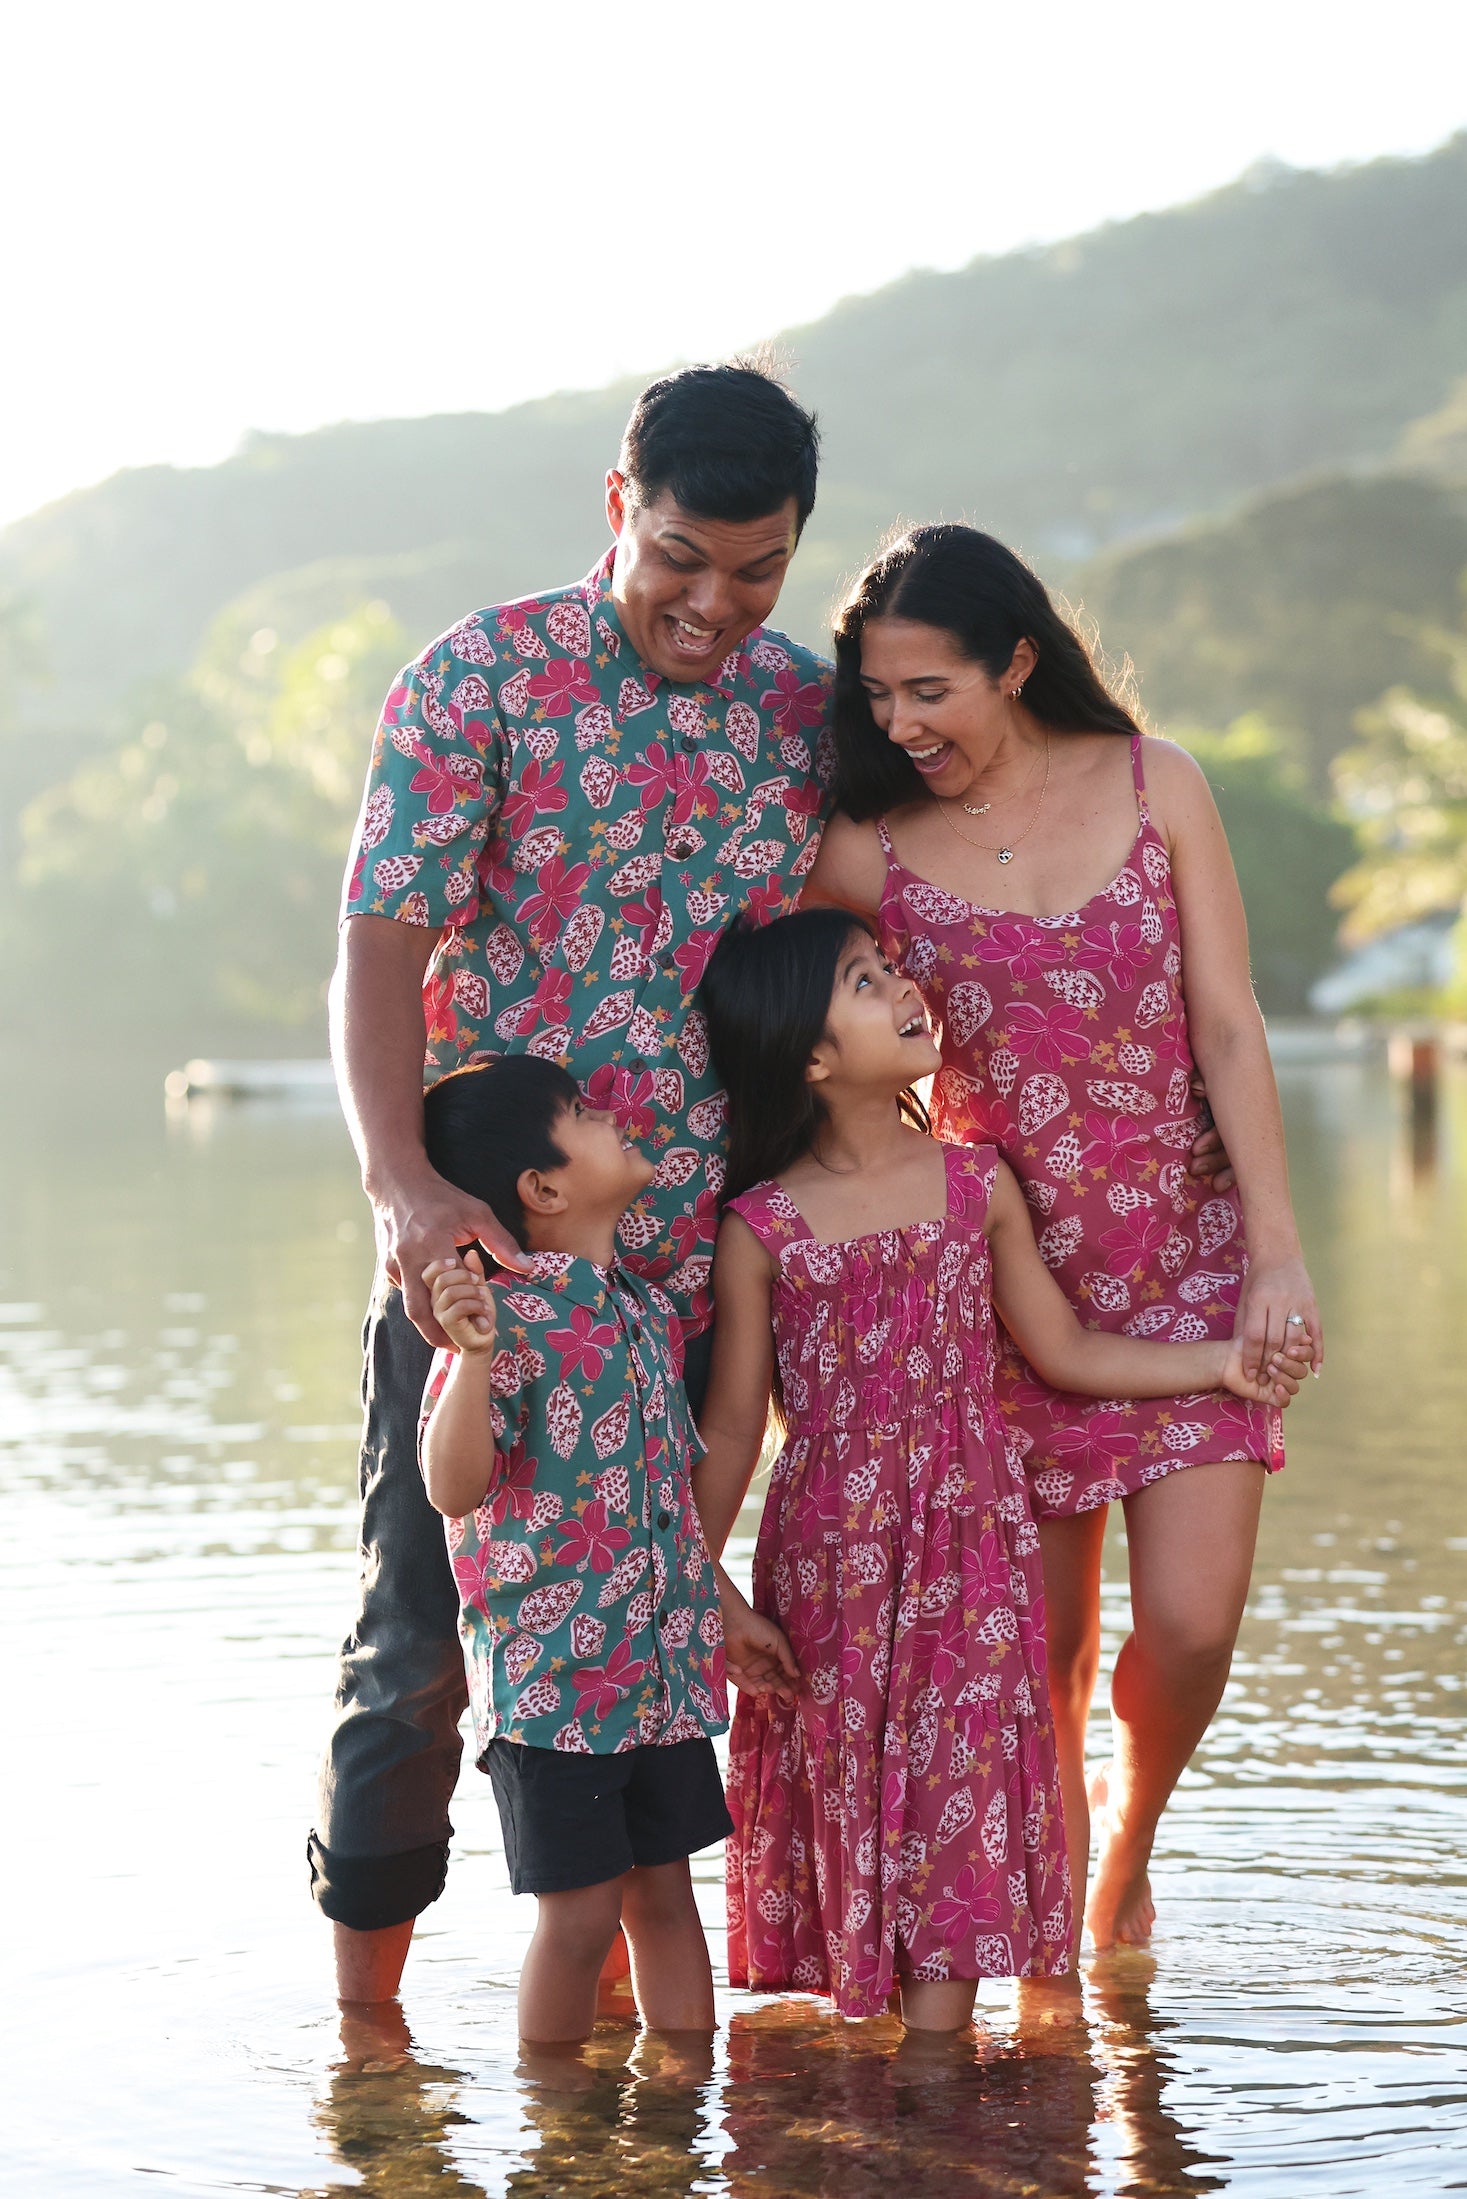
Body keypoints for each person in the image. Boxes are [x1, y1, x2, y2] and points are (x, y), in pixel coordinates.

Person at [311, 360, 831, 2003]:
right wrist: (403, 1189)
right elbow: (377, 951)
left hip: (686, 1272)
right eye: (683, 554)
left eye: (759, 568)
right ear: (619, 509)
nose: (715, 601)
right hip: (485, 1268)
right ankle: (367, 2044)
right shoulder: (482, 677)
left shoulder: (798, 710)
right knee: (418, 1654)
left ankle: (607, 2047)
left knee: (655, 1653)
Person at [803, 524, 1323, 1953]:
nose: (899, 723)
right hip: (1002, 1297)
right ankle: (1058, 1870)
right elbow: (774, 1000)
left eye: (928, 689)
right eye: (877, 698)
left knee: (1191, 1625)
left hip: (1189, 1265)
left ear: (1015, 660)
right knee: (1035, 1652)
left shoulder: (1160, 784)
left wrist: (1275, 1250)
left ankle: (1130, 1833)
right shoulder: (866, 848)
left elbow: (1225, 1021)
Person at [690, 910, 1308, 2030]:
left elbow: (1064, 1352)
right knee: (855, 1794)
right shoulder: (761, 1227)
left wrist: (1223, 1362)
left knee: (964, 1791)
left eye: (888, 966)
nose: (903, 986)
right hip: (833, 1569)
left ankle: (950, 2078)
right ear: (814, 1057)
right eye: (864, 982)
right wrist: (714, 1587)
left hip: (972, 1554)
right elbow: (733, 1426)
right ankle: (877, 2068)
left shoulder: (979, 1186)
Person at [415, 1055, 753, 2048]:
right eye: (587, 1113)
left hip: (661, 1676)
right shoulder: (498, 1320)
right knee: (577, 1919)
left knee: (668, 1898)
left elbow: (670, 1511)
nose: (618, 1117)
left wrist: (726, 1613)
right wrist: (470, 1364)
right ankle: (561, 2136)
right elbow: (451, 1485)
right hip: (557, 1690)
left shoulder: (643, 1314)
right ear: (544, 1188)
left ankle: (687, 2103)